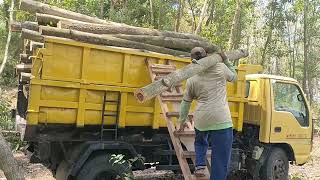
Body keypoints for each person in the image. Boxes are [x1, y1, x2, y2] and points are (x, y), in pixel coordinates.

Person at [178, 47, 237, 180]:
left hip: (202, 118)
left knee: (199, 142)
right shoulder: (221, 68)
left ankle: (200, 165)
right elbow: (234, 78)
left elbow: (186, 102)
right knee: (220, 159)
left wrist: (181, 121)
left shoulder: (192, 78)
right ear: (207, 56)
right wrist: (226, 60)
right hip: (221, 119)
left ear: (192, 60)